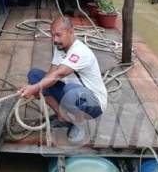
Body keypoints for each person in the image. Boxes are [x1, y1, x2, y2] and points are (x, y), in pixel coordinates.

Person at [18, 16, 107, 144]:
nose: (55, 39)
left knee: (70, 90)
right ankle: (62, 116)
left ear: (71, 31)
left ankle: (79, 124)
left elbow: (59, 74)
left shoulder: (80, 51)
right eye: (52, 35)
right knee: (35, 76)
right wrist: (35, 87)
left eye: (58, 35)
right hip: (72, 94)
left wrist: (34, 88)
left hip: (94, 103)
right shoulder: (60, 47)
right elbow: (51, 74)